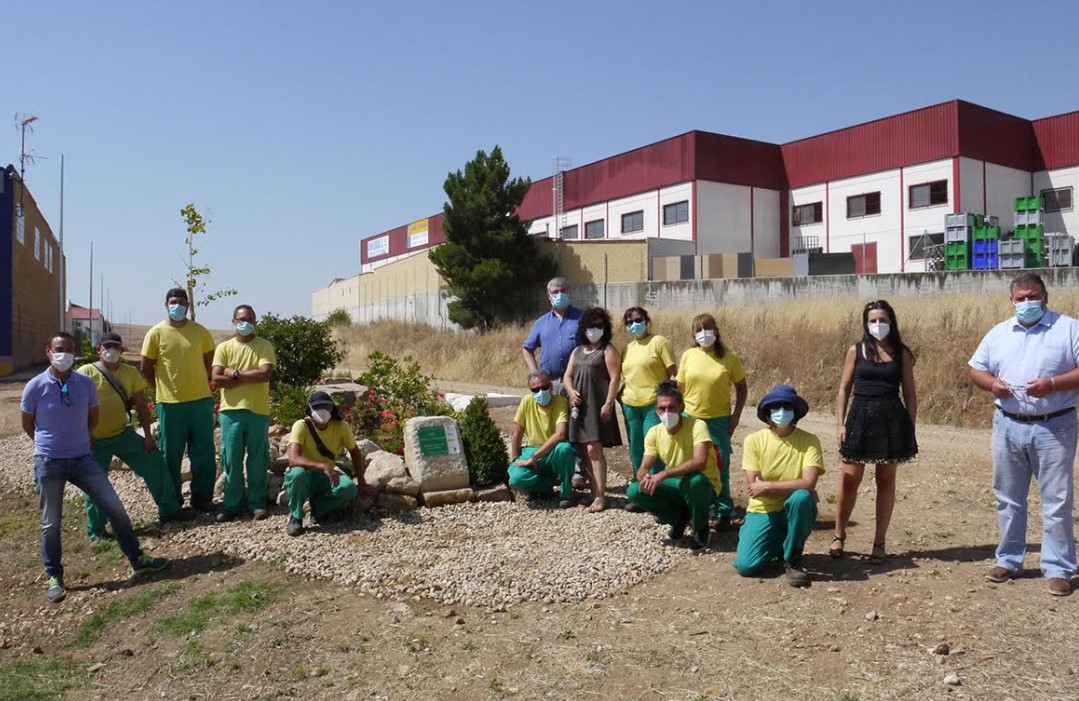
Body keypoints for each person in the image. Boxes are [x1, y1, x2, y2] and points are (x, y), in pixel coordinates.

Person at [21, 332, 169, 603]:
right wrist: (48, 444)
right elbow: (27, 423)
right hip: (49, 461)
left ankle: (137, 559)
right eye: (58, 349)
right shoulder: (35, 386)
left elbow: (93, 418)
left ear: (75, 352)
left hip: (82, 458)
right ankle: (54, 576)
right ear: (48, 351)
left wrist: (80, 439)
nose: (63, 354)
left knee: (114, 506)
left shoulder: (84, 383)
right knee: (51, 522)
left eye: (68, 349)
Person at [969, 272, 1079, 597]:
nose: (1027, 303)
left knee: (1057, 500)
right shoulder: (999, 333)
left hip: (1054, 425)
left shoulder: (1068, 329)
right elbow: (976, 368)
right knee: (1008, 497)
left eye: (1033, 296)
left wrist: (1054, 384)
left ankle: (1058, 568)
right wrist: (992, 384)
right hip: (1007, 424)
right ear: (1011, 301)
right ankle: (1009, 559)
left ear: (1045, 297)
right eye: (1021, 298)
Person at [77, 332, 193, 544]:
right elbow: (76, 407)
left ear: (122, 351)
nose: (111, 350)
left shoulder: (130, 373)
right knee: (95, 484)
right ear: (99, 349)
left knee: (154, 462)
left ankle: (169, 510)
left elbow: (141, 405)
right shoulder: (85, 372)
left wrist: (148, 436)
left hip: (123, 434)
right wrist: (83, 437)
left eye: (115, 346)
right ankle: (97, 531)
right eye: (107, 346)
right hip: (94, 441)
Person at [832, 300, 918, 564]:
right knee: (849, 479)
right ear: (865, 324)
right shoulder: (855, 351)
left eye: (882, 320)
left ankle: (879, 542)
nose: (877, 325)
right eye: (872, 321)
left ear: (891, 322)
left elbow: (910, 393)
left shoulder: (902, 353)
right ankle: (838, 534)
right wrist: (840, 424)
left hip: (891, 419)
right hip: (859, 417)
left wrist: (910, 427)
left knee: (886, 481)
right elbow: (843, 389)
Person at [732, 385, 823, 588]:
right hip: (762, 510)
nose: (781, 412)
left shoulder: (809, 441)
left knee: (802, 498)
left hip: (792, 508)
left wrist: (769, 486)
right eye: (775, 407)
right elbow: (754, 487)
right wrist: (794, 486)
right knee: (747, 566)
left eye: (787, 406)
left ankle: (793, 559)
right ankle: (780, 543)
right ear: (767, 412)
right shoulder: (753, 440)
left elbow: (808, 482)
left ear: (796, 411)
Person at [140, 288, 218, 512]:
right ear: (166, 304)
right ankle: (173, 501)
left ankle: (202, 498)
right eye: (173, 302)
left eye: (182, 302)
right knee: (171, 455)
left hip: (200, 401)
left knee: (203, 452)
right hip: (170, 404)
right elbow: (146, 368)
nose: (178, 306)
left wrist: (203, 383)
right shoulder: (156, 333)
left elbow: (209, 363)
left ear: (188, 305)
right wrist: (160, 390)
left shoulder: (200, 332)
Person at [626, 381, 720, 551]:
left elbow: (700, 462)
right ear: (656, 410)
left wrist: (663, 474)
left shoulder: (697, 426)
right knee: (634, 491)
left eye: (671, 407)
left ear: (681, 407)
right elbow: (644, 466)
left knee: (695, 481)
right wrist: (644, 477)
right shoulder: (654, 433)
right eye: (662, 409)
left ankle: (700, 528)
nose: (667, 413)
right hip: (677, 484)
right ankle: (679, 518)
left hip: (704, 485)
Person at [677, 313, 747, 528]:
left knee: (720, 464)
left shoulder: (729, 357)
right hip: (691, 419)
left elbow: (741, 388)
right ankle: (700, 505)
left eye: (707, 328)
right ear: (693, 334)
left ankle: (724, 509)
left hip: (718, 420)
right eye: (698, 330)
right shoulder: (688, 355)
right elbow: (680, 388)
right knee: (693, 463)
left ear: (716, 331)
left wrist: (735, 417)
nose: (703, 333)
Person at [211, 304, 277, 522]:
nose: (244, 323)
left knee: (257, 458)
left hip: (257, 411)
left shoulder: (264, 346)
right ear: (233, 321)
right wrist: (243, 376)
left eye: (249, 319)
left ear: (255, 321)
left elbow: (264, 375)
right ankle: (232, 503)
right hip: (230, 412)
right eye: (240, 319)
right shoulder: (224, 348)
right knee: (231, 458)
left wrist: (234, 374)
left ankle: (257, 502)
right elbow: (217, 379)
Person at [284, 391, 377, 536]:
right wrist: (321, 466)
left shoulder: (341, 426)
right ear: (309, 410)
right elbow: (293, 459)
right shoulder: (301, 426)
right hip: (306, 472)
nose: (322, 412)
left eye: (326, 407)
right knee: (297, 475)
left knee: (348, 489)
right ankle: (296, 517)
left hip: (328, 475)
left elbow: (355, 453)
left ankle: (319, 510)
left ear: (332, 408)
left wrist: (362, 482)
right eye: (317, 408)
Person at [564, 307, 622, 512]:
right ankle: (593, 488)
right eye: (591, 325)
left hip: (597, 405)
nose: (594, 329)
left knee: (594, 449)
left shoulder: (607, 349)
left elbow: (615, 377)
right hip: (579, 407)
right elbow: (567, 375)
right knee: (582, 448)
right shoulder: (577, 350)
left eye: (599, 325)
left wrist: (608, 403)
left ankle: (600, 496)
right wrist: (570, 392)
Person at [619, 307, 677, 512]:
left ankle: (657, 492)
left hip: (653, 404)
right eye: (629, 322)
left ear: (646, 320)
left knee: (654, 450)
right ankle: (640, 492)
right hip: (630, 405)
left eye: (638, 319)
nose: (634, 324)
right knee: (636, 450)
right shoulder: (627, 348)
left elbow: (673, 374)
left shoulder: (659, 342)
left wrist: (669, 401)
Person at [507, 370, 577, 507]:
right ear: (530, 390)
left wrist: (534, 456)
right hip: (531, 448)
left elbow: (561, 434)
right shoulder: (526, 401)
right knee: (515, 477)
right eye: (535, 389)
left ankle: (566, 492)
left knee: (565, 449)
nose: (541, 392)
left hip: (552, 450)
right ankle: (545, 487)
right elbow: (517, 433)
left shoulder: (560, 402)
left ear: (551, 386)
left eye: (544, 387)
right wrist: (515, 460)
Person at [522, 277, 583, 391]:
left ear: (569, 293)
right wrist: (535, 373)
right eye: (555, 292)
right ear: (549, 296)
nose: (560, 295)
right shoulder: (541, 322)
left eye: (563, 291)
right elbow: (527, 349)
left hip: (577, 382)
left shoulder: (582, 318)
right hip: (550, 384)